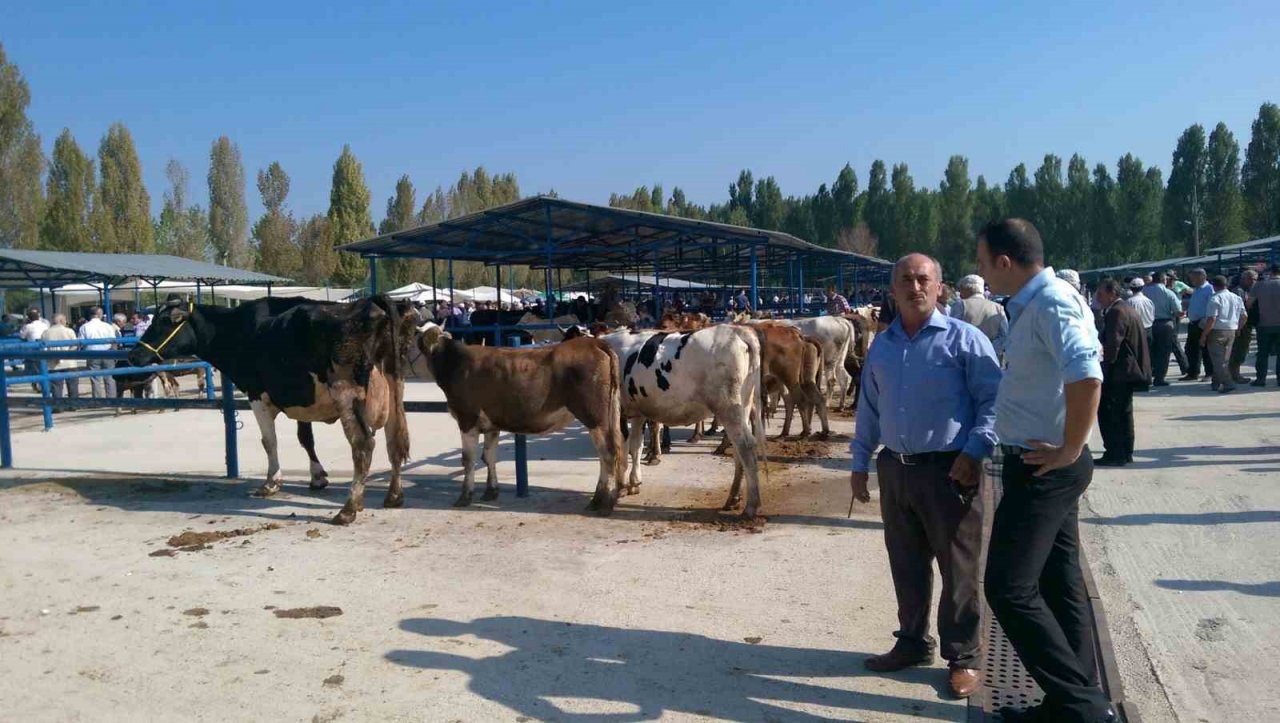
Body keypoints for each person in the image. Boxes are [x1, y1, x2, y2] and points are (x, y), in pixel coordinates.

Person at [975, 219, 1115, 723]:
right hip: (1040, 463)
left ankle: (1084, 708)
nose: (981, 272)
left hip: (1045, 468)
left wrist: (1071, 447)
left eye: (983, 262)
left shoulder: (1051, 302)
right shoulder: (1034, 303)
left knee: (1008, 588)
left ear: (1005, 263)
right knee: (1059, 583)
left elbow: (1086, 373)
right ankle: (1069, 703)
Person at [851, 253, 1002, 700]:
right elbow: (869, 409)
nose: (914, 288)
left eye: (923, 280)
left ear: (940, 288)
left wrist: (975, 451)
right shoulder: (882, 345)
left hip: (950, 470)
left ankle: (964, 657)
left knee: (959, 569)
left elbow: (993, 403)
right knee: (907, 563)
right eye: (905, 281)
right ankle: (913, 642)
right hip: (897, 468)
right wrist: (860, 462)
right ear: (893, 291)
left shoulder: (966, 340)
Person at [1094, 280, 1150, 466]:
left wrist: (1102, 369)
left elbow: (1113, 345)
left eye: (1100, 294)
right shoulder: (1126, 308)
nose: (1097, 298)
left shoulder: (1117, 312)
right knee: (1124, 413)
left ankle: (1115, 453)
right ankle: (1125, 452)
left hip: (1119, 372)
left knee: (1111, 414)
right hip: (1127, 371)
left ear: (1111, 293)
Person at [1201, 275, 1245, 393]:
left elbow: (1212, 319)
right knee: (1223, 359)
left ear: (1214, 286)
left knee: (1218, 360)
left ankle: (1228, 383)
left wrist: (1204, 334)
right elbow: (1244, 316)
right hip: (1231, 330)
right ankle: (1216, 382)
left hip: (1217, 331)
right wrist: (1239, 328)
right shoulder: (1236, 298)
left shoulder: (1215, 298)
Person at [1144, 272, 1184, 386]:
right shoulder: (1168, 293)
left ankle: (1147, 376)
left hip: (1148, 324)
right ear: (1163, 280)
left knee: (1149, 351)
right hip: (1165, 324)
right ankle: (1159, 378)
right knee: (1163, 352)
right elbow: (1177, 311)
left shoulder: (1144, 291)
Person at [952, 274, 1008, 353]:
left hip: (965, 357)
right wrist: (989, 349)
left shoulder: (960, 305)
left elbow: (952, 332)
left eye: (961, 289)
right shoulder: (998, 308)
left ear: (968, 288)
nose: (960, 293)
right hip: (992, 358)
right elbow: (1004, 335)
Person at [77, 306, 119, 398]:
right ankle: (111, 399)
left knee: (95, 379)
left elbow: (80, 342)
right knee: (110, 378)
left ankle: (97, 400)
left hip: (92, 354)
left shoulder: (84, 327)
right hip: (107, 353)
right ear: (99, 315)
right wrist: (115, 355)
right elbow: (113, 341)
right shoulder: (107, 326)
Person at [41, 314, 80, 410]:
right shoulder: (69, 331)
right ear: (62, 321)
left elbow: (43, 347)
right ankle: (74, 405)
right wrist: (68, 353)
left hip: (53, 363)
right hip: (69, 362)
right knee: (72, 385)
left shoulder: (46, 333)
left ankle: (58, 406)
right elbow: (75, 345)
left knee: (56, 386)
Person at [1181, 268, 1214, 381]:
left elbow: (1212, 307)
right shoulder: (1197, 289)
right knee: (1191, 349)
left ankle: (1209, 373)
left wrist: (1204, 322)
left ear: (1202, 277)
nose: (1191, 280)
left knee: (1206, 350)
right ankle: (1193, 373)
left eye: (1193, 278)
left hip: (1202, 323)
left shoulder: (1209, 289)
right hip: (1193, 323)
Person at [1250, 265, 1280, 386]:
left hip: (1263, 325)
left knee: (1262, 354)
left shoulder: (1259, 285)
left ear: (1270, 272)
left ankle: (1261, 379)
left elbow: (1249, 303)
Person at [1229, 270, 1258, 385]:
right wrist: (1239, 327)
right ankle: (1235, 375)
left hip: (1244, 325)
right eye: (1253, 280)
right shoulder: (1238, 291)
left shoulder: (1245, 290)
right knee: (1239, 350)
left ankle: (1234, 373)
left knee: (1241, 350)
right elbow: (1240, 311)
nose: (1254, 282)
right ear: (1247, 279)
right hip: (1241, 326)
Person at [18, 308, 51, 389]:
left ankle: (38, 385)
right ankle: (45, 385)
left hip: (33, 350)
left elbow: (21, 336)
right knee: (45, 368)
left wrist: (24, 324)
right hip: (45, 348)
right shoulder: (45, 325)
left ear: (29, 318)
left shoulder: (28, 326)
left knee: (35, 369)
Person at [1121, 278, 1154, 351]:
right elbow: (1152, 316)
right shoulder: (1149, 301)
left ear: (1131, 288)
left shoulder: (1129, 302)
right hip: (1148, 329)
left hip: (1136, 331)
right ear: (1143, 288)